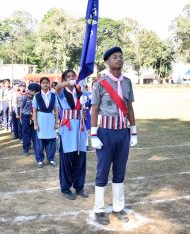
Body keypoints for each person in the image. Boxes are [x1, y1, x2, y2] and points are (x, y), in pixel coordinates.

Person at [91, 46, 138, 225]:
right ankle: (99, 209)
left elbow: (130, 108)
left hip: (123, 133)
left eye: (120, 57)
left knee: (120, 171)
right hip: (105, 133)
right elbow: (94, 108)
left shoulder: (127, 82)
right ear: (107, 62)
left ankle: (118, 207)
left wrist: (133, 131)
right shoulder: (100, 83)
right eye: (114, 57)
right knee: (102, 171)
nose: (119, 59)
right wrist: (94, 135)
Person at [55, 70, 89, 200]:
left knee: (80, 158)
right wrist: (71, 82)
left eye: (73, 76)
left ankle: (79, 186)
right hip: (68, 129)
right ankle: (66, 188)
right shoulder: (62, 93)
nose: (71, 79)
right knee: (66, 159)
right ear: (64, 79)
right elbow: (58, 86)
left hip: (80, 128)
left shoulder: (81, 93)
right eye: (68, 77)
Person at [33, 77, 59, 168]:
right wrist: (35, 123)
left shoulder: (53, 95)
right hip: (41, 119)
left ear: (49, 84)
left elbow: (56, 109)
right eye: (43, 83)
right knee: (40, 140)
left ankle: (51, 158)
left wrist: (56, 122)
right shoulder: (37, 96)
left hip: (50, 119)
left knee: (51, 140)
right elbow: (35, 110)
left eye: (47, 83)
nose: (45, 84)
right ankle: (40, 159)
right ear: (40, 84)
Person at [21, 83, 40, 156]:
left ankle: (36, 148)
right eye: (30, 91)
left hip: (34, 116)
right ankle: (26, 149)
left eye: (32, 91)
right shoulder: (25, 97)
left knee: (34, 133)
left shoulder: (37, 98)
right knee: (25, 133)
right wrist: (21, 116)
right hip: (26, 116)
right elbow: (21, 107)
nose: (30, 92)